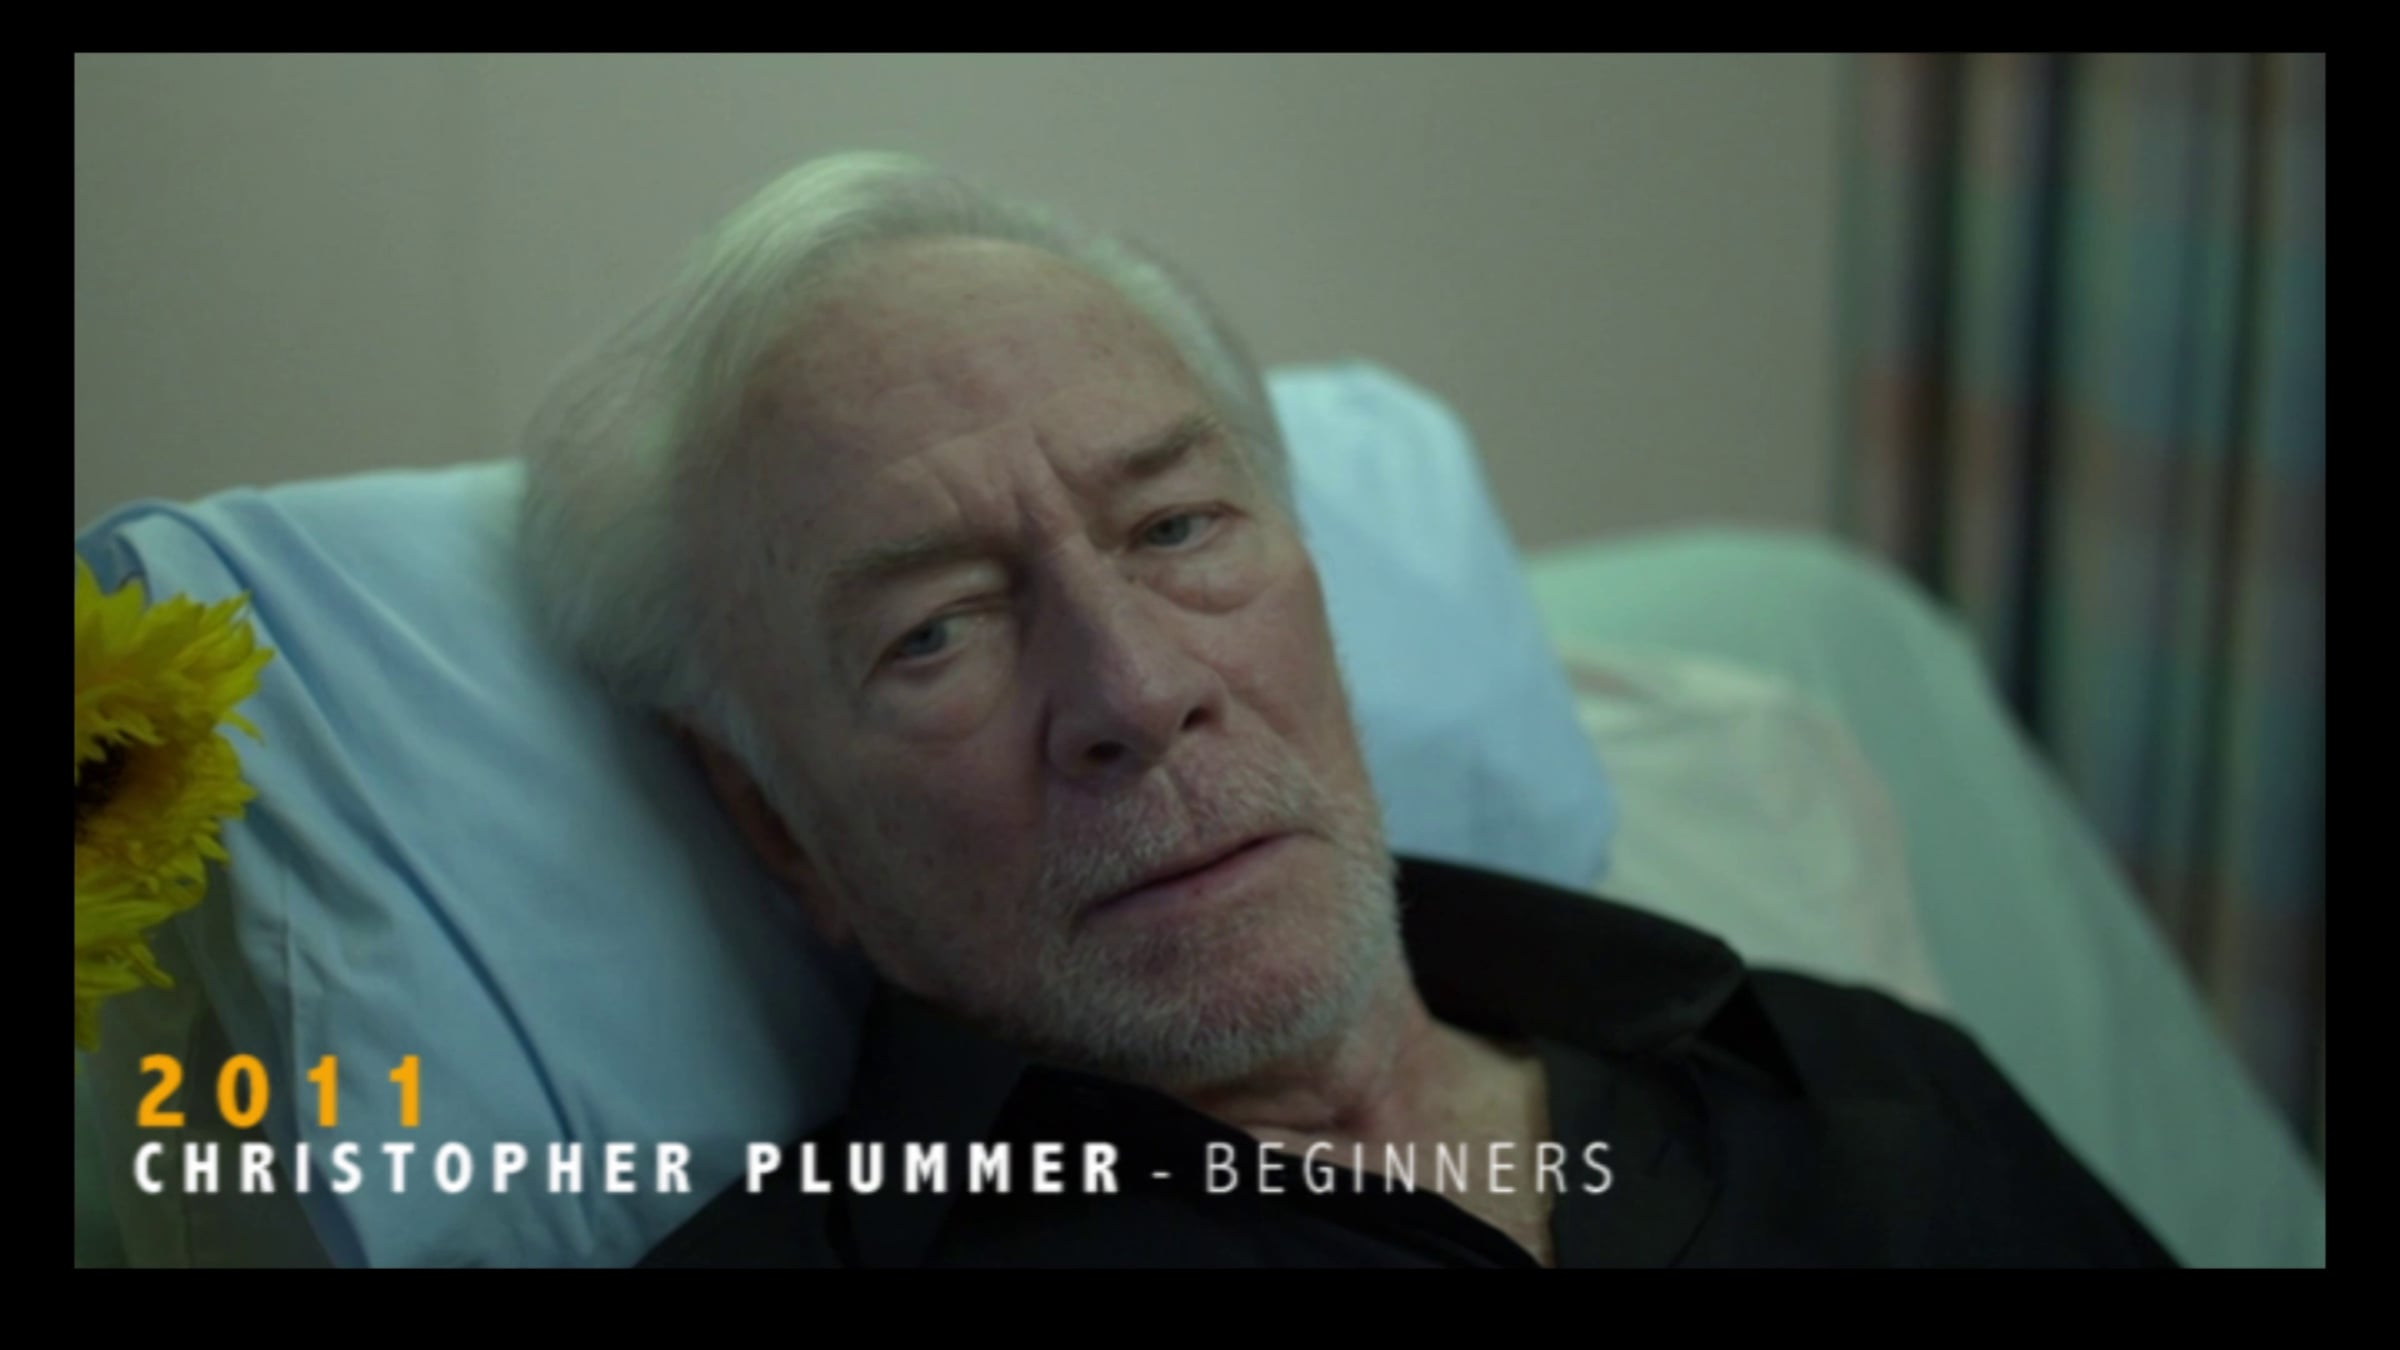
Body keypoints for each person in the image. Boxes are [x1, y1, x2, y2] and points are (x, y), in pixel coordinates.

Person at [517, 151, 2176, 1268]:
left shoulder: (1853, 1082)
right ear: (775, 822)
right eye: (937, 629)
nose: (1140, 689)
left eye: (1177, 527)